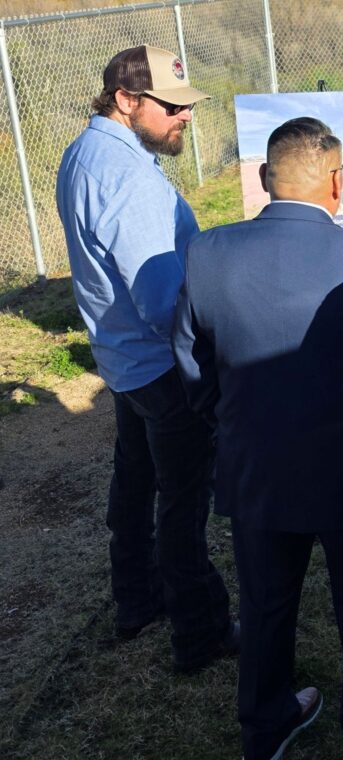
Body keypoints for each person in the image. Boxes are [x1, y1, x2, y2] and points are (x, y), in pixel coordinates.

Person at [173, 117, 343, 760]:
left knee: (263, 601)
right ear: (339, 184)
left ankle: (263, 729)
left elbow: (192, 365)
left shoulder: (207, 252)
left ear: (262, 180)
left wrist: (234, 425)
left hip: (255, 464)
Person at [56, 44, 234, 672]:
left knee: (134, 486)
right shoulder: (127, 176)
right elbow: (161, 300)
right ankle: (201, 632)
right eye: (173, 106)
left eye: (187, 105)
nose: (185, 116)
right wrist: (210, 350)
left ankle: (135, 599)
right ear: (127, 100)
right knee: (181, 503)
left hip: (123, 360)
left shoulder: (88, 151)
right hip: (160, 365)